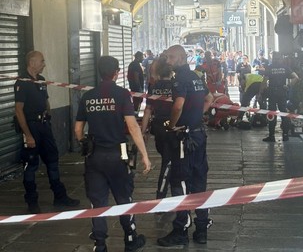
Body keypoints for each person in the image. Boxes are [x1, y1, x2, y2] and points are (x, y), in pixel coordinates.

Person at [74, 55, 151, 252]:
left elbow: (77, 130)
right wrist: (144, 154)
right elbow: (133, 126)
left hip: (94, 156)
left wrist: (84, 143)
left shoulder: (88, 96)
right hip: (118, 154)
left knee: (97, 201)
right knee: (123, 197)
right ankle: (130, 238)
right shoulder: (122, 94)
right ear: (117, 72)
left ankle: (100, 244)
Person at [157, 45, 214, 247]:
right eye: (166, 57)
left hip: (184, 138)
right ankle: (201, 229)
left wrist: (172, 126)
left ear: (181, 57)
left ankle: (180, 229)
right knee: (199, 181)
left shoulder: (179, 79)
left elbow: (178, 105)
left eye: (171, 57)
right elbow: (209, 98)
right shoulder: (196, 77)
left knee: (179, 181)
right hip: (198, 135)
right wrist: (198, 116)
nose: (167, 60)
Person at [14, 51, 80, 214]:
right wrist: (28, 135)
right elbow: (18, 110)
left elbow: (46, 101)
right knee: (31, 165)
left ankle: (60, 196)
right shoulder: (22, 82)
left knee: (52, 160)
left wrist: (48, 118)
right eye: (42, 61)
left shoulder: (41, 81)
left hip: (44, 125)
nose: (44, 64)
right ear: (32, 62)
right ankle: (32, 201)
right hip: (31, 126)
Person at [141, 54, 173, 199]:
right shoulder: (175, 86)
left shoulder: (153, 88)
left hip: (158, 127)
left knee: (167, 158)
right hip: (173, 127)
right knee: (168, 161)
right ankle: (161, 194)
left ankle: (166, 191)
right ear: (171, 73)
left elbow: (147, 110)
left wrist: (143, 131)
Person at [260, 51, 299, 142]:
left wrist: (260, 93)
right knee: (284, 113)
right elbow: (296, 78)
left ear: (273, 58)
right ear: (280, 58)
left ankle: (271, 136)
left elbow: (264, 82)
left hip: (272, 93)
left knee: (272, 114)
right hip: (282, 93)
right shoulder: (285, 68)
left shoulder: (269, 68)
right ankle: (285, 135)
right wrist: (288, 86)